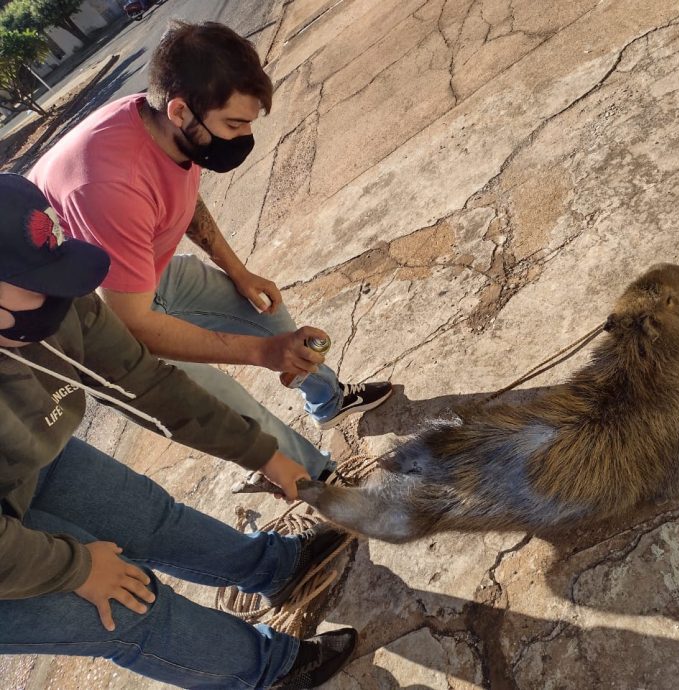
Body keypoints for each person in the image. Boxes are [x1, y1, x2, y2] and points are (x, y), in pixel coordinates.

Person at [0, 173, 356, 688]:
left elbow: (144, 381)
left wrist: (262, 453)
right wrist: (75, 569)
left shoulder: (51, 295)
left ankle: (273, 568)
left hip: (23, 459)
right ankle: (264, 672)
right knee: (130, 606)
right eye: (41, 289)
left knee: (146, 515)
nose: (63, 303)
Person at [28, 20, 393, 482]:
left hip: (144, 272)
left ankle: (329, 400)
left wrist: (239, 272)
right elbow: (135, 322)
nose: (243, 138)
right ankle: (318, 483)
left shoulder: (160, 124)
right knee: (223, 401)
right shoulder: (107, 184)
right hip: (98, 321)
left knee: (270, 316)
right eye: (234, 124)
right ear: (180, 110)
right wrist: (264, 354)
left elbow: (180, 197)